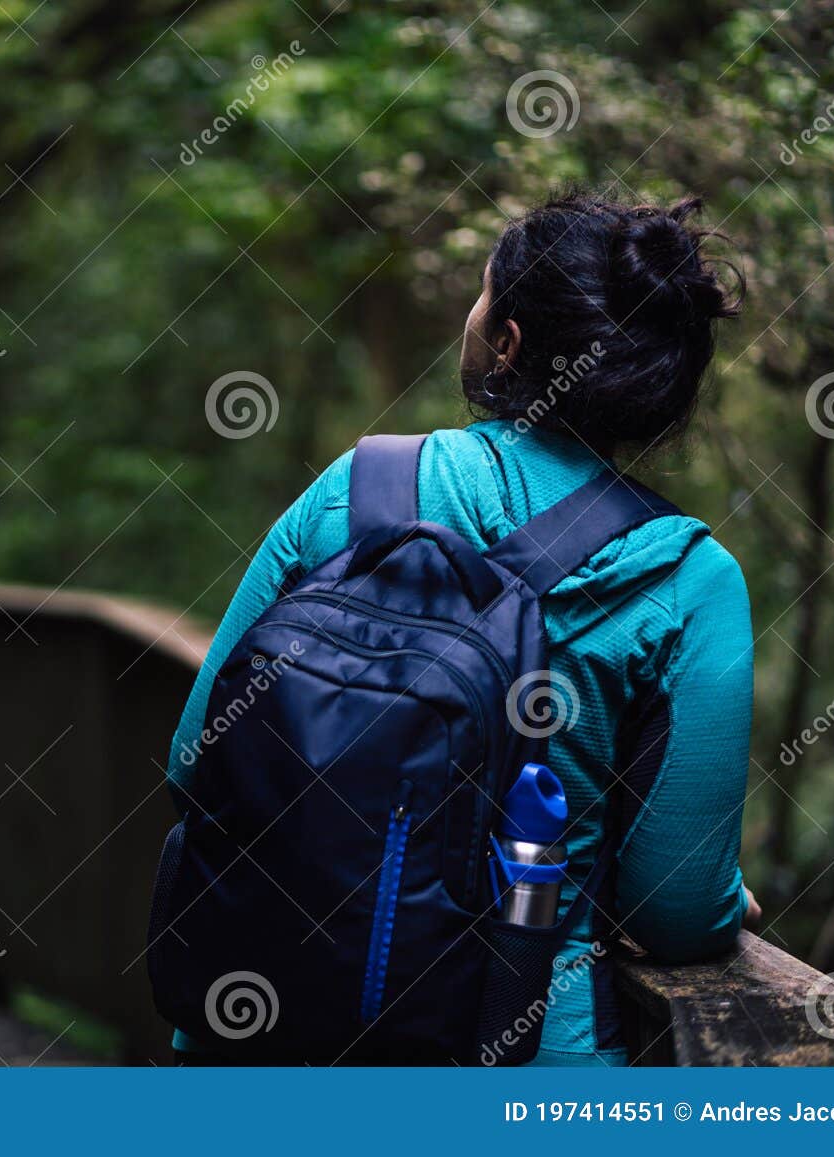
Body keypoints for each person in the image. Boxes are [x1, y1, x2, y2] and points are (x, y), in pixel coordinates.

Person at [167, 191, 759, 1066]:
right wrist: (725, 900)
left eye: (482, 297)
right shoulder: (689, 580)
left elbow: (195, 760)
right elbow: (673, 911)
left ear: (510, 344)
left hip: (262, 1030)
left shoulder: (358, 486)